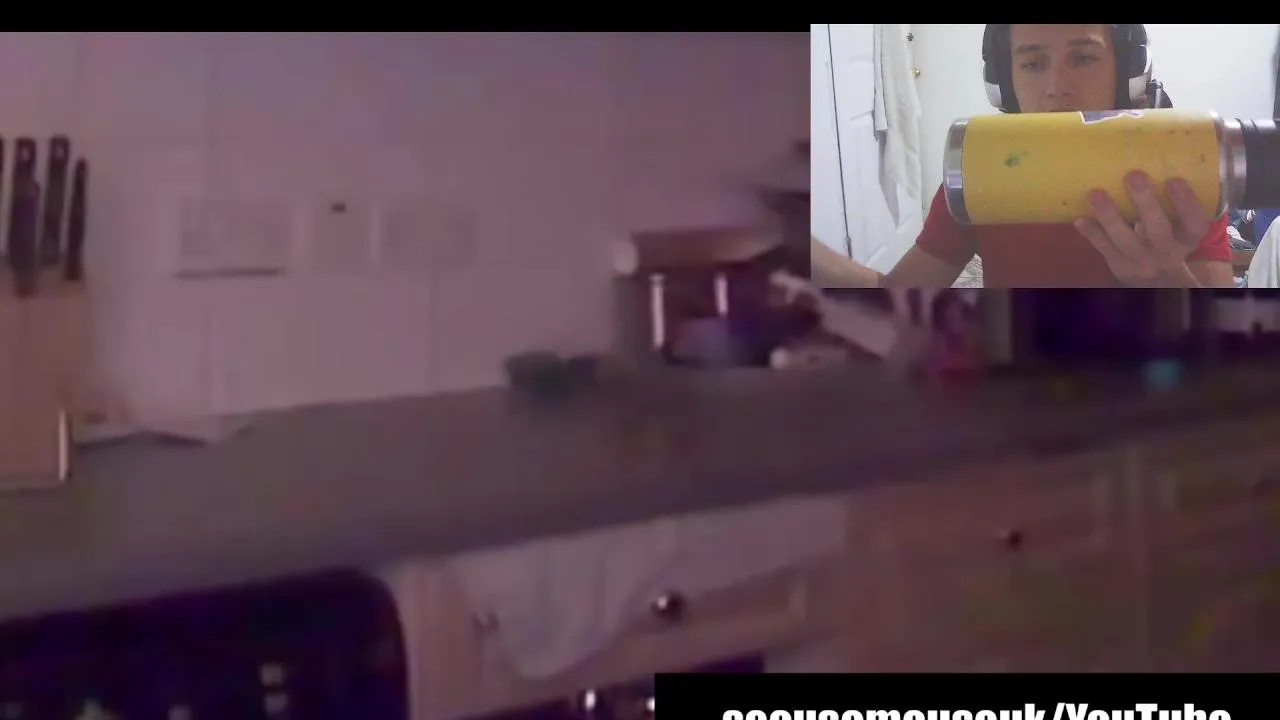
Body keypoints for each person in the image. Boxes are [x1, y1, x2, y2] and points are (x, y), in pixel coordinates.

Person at [821, 24, 1234, 289]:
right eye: (1034, 63)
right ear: (1005, 81)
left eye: (1083, 57)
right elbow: (897, 299)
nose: (1057, 86)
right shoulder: (979, 175)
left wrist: (1169, 285)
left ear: (1127, 70)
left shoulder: (1181, 172)